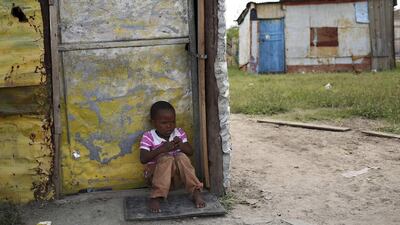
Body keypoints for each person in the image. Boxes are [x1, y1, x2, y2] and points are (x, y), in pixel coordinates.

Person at [139, 101, 205, 213]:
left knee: (181, 156)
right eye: (164, 122)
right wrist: (163, 149)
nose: (169, 126)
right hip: (155, 177)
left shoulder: (178, 133)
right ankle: (156, 196)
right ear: (153, 122)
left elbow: (190, 152)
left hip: (176, 180)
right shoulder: (148, 136)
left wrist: (181, 145)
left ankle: (195, 192)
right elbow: (143, 158)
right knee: (166, 158)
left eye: (172, 122)